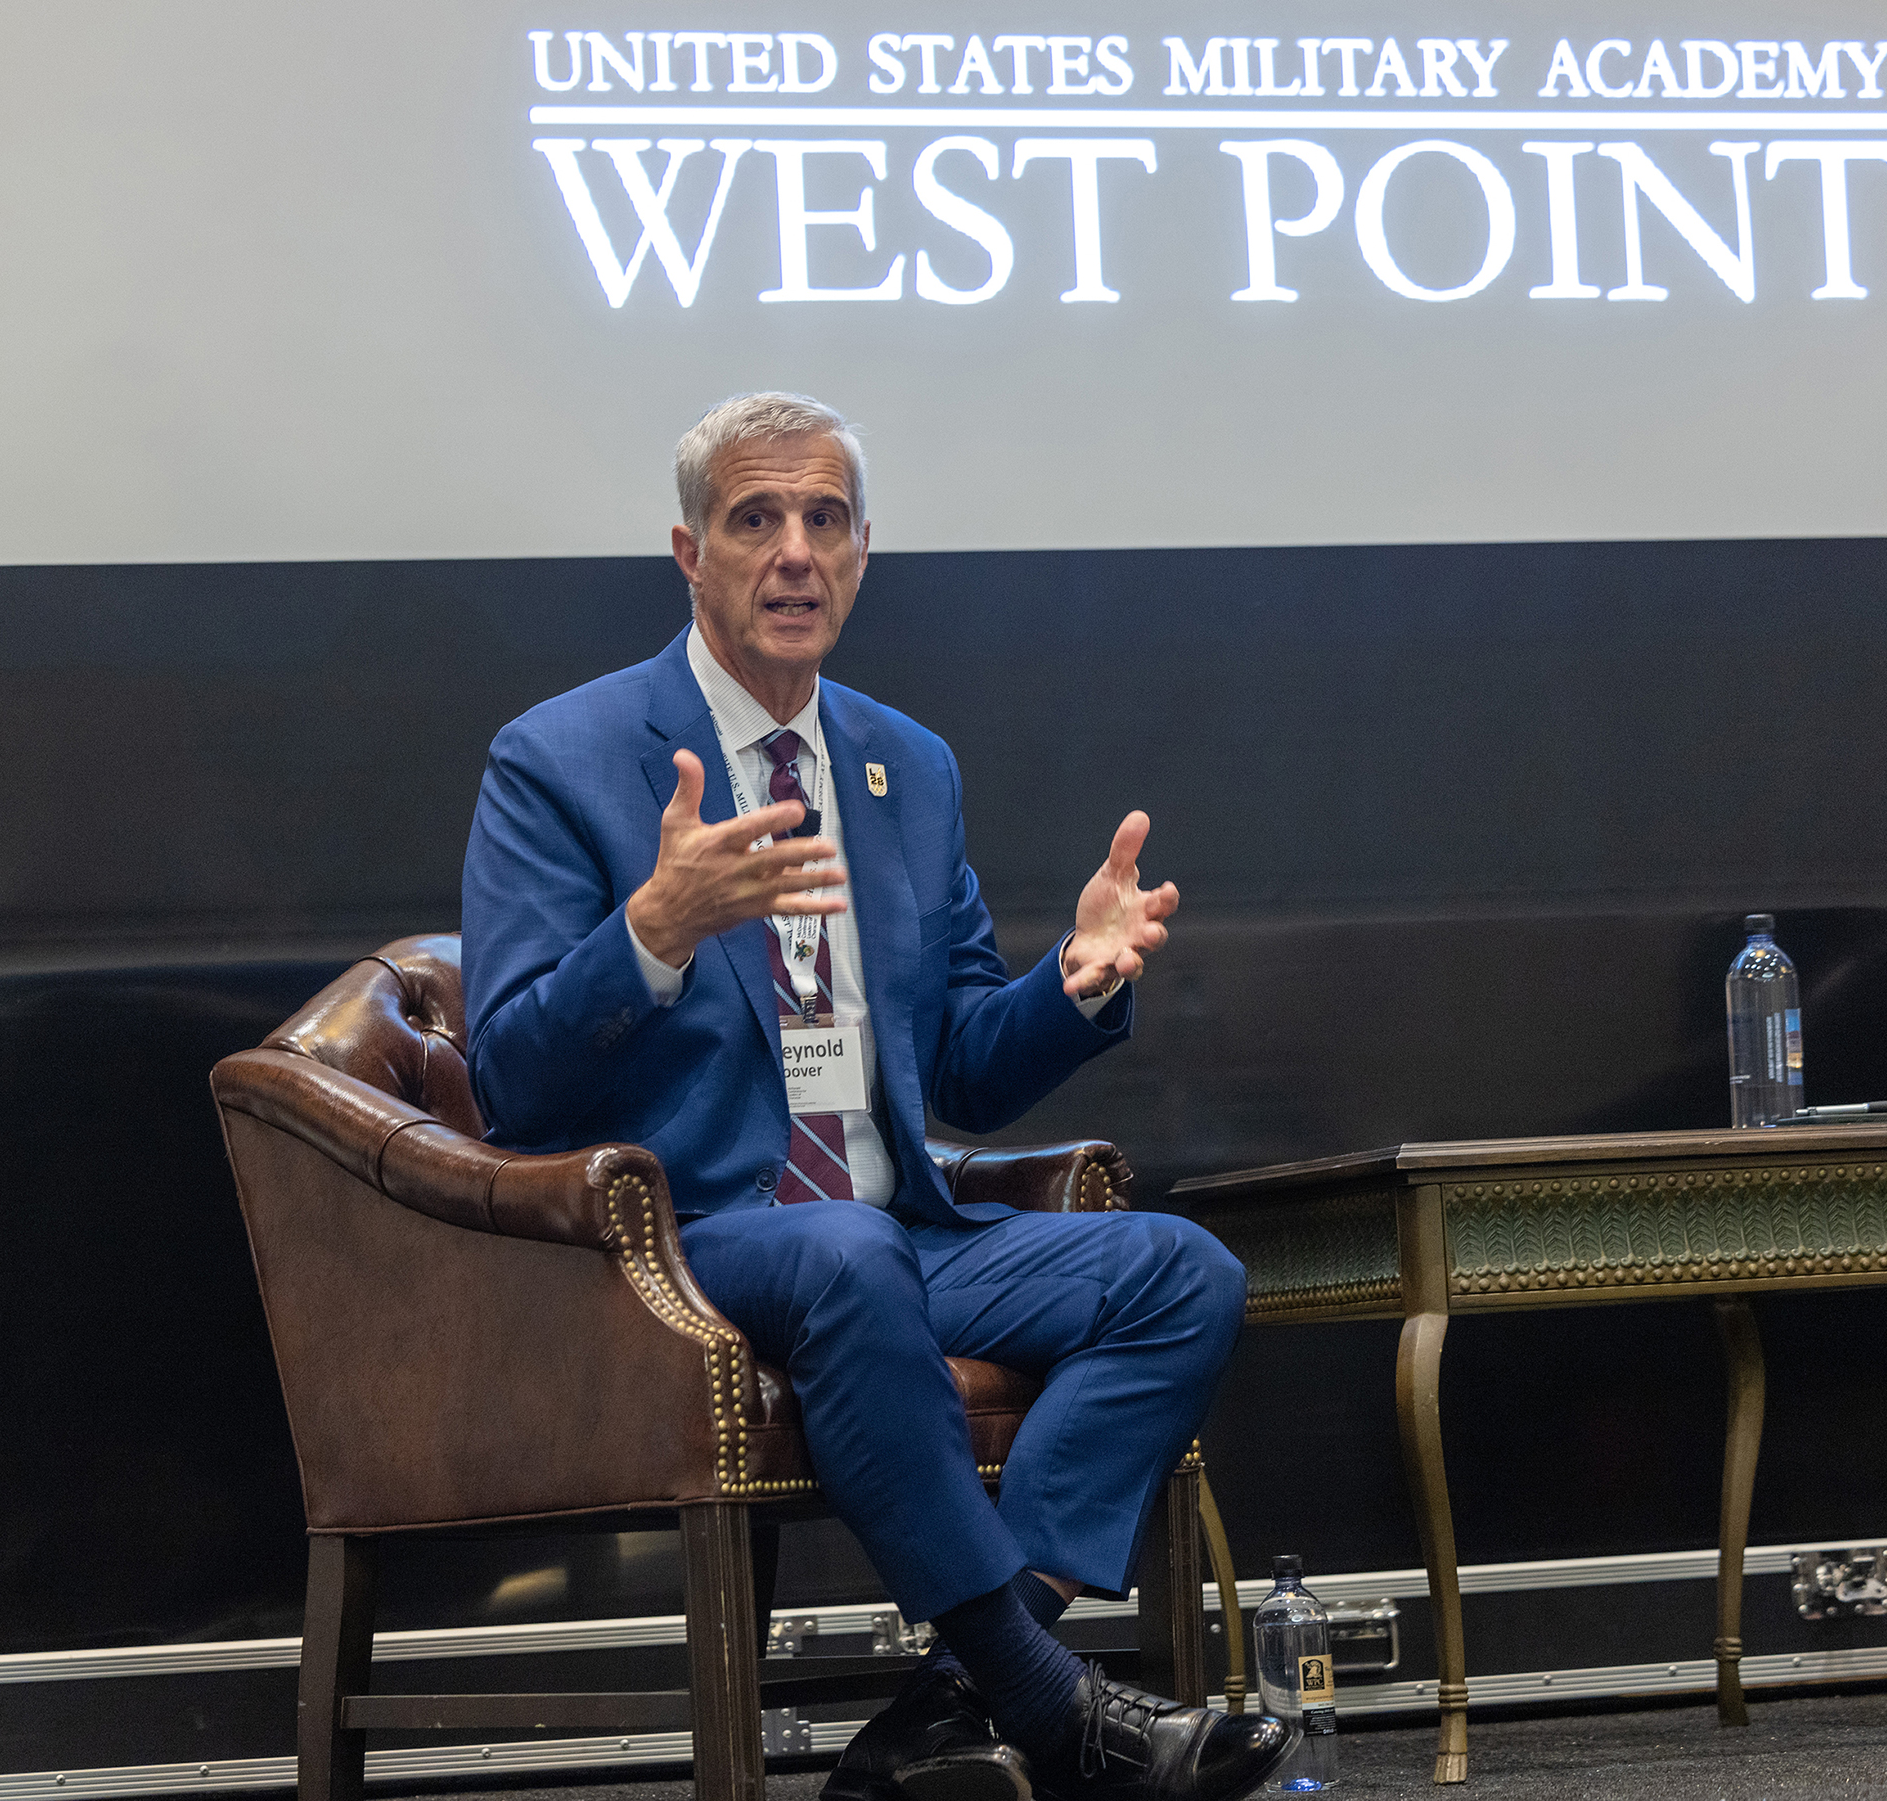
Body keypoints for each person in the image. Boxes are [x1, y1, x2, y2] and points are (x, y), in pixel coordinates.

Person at [460, 394, 1279, 1801]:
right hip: (688, 1243)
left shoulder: (907, 767)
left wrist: (1073, 981)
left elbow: (957, 1060)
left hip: (904, 1233)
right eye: (755, 520)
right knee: (842, 1249)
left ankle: (953, 1704)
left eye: (824, 521)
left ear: (861, 553)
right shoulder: (560, 759)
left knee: (1178, 1272)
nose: (794, 553)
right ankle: (1056, 1708)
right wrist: (655, 927)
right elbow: (510, 1079)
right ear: (688, 555)